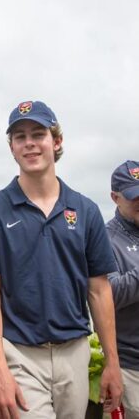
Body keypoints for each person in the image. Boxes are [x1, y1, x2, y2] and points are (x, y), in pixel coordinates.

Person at [0, 100, 122, 418]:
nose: (29, 143)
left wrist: (112, 362)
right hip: (19, 352)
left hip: (75, 351)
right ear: (11, 148)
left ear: (56, 141)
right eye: (19, 136)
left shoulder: (85, 210)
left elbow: (99, 291)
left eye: (37, 134)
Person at [107, 160, 139, 418]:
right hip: (130, 369)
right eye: (134, 196)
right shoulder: (106, 238)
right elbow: (110, 294)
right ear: (115, 197)